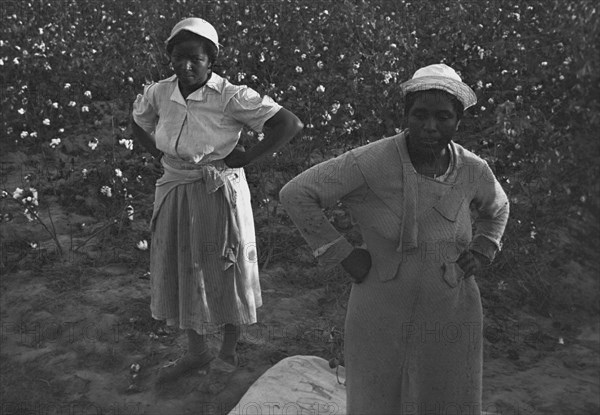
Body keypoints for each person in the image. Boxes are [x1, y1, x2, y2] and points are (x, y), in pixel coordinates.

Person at [279, 64, 509, 414]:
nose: (430, 127)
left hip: (451, 306)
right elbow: (297, 194)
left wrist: (483, 248)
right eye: (420, 115)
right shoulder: (369, 161)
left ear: (458, 121)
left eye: (443, 117)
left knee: (447, 393)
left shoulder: (473, 169)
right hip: (380, 304)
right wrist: (343, 253)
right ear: (406, 115)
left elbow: (498, 207)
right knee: (377, 395)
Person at [131, 17, 303, 383]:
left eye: (195, 58)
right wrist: (162, 158)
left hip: (217, 189)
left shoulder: (231, 96)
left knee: (225, 266)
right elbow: (138, 122)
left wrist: (247, 157)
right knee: (181, 266)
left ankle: (228, 350)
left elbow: (288, 124)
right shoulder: (159, 93)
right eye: (178, 58)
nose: (186, 66)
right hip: (176, 187)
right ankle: (196, 352)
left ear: (211, 59)